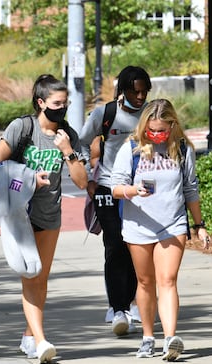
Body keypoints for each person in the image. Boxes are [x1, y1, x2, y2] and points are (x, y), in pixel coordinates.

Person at [0, 74, 87, 364]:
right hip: (20, 214)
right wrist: (30, 178)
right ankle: (42, 341)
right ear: (41, 103)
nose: (62, 108)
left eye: (65, 103)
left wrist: (67, 151)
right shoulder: (22, 128)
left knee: (41, 278)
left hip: (49, 215)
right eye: (57, 103)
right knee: (30, 276)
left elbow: (81, 181)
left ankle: (29, 337)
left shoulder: (67, 133)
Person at [111, 98, 210, 361]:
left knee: (168, 280)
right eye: (152, 130)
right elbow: (116, 187)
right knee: (145, 282)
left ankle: (170, 339)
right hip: (139, 225)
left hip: (172, 224)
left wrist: (199, 225)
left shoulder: (181, 148)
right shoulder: (131, 148)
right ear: (144, 126)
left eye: (161, 129)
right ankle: (147, 337)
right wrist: (133, 190)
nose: (156, 135)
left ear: (172, 124)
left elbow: (190, 189)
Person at [79, 66, 152, 336]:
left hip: (141, 190)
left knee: (138, 247)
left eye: (145, 91)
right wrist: (88, 177)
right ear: (123, 90)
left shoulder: (150, 114)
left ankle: (134, 301)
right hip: (109, 188)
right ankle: (117, 307)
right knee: (114, 246)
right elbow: (82, 143)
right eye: (135, 91)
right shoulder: (105, 114)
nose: (141, 96)